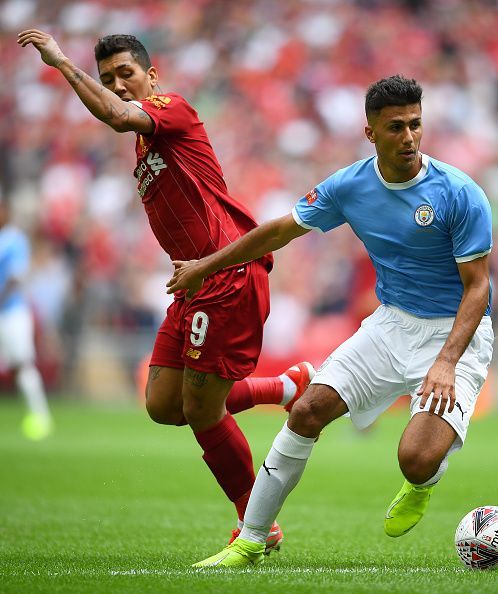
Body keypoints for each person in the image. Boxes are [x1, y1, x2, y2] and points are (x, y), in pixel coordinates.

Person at [165, 75, 494, 568]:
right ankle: (251, 539)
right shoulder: (350, 185)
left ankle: (421, 483)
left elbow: (478, 287)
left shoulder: (460, 194)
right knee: (307, 411)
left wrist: (445, 362)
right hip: (390, 326)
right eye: (396, 127)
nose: (408, 137)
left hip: (455, 334)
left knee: (416, 458)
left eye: (416, 125)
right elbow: (279, 230)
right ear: (371, 133)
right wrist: (204, 266)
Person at [17, 29, 315, 551]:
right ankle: (285, 388)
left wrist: (63, 64)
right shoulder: (145, 142)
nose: (117, 85)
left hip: (224, 275)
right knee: (162, 404)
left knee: (202, 410)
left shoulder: (171, 108)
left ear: (151, 75)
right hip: (192, 283)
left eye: (124, 74)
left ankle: (257, 523)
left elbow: (114, 115)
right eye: (107, 78)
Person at [0, 199, 53, 441]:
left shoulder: (14, 239)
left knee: (22, 363)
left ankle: (40, 416)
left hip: (11, 312)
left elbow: (15, 278)